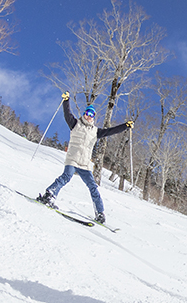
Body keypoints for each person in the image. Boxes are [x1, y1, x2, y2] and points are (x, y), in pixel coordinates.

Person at [37, 92, 133, 224]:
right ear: (84, 114)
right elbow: (67, 114)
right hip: (73, 159)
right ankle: (50, 195)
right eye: (87, 113)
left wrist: (125, 126)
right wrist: (66, 101)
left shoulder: (96, 131)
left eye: (91, 115)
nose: (89, 116)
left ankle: (100, 213)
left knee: (93, 187)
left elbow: (111, 131)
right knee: (66, 177)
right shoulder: (75, 124)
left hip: (85, 164)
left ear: (94, 117)